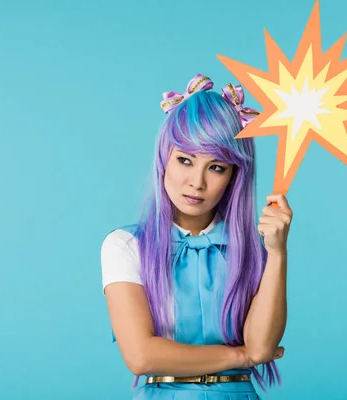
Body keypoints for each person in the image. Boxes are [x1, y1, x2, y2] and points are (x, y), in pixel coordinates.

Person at [101, 73, 293, 399]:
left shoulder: (254, 251)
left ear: (235, 176)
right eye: (185, 161)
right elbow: (141, 356)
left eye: (216, 167)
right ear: (164, 160)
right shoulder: (126, 247)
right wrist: (238, 356)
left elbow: (261, 349)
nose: (196, 182)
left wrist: (277, 252)